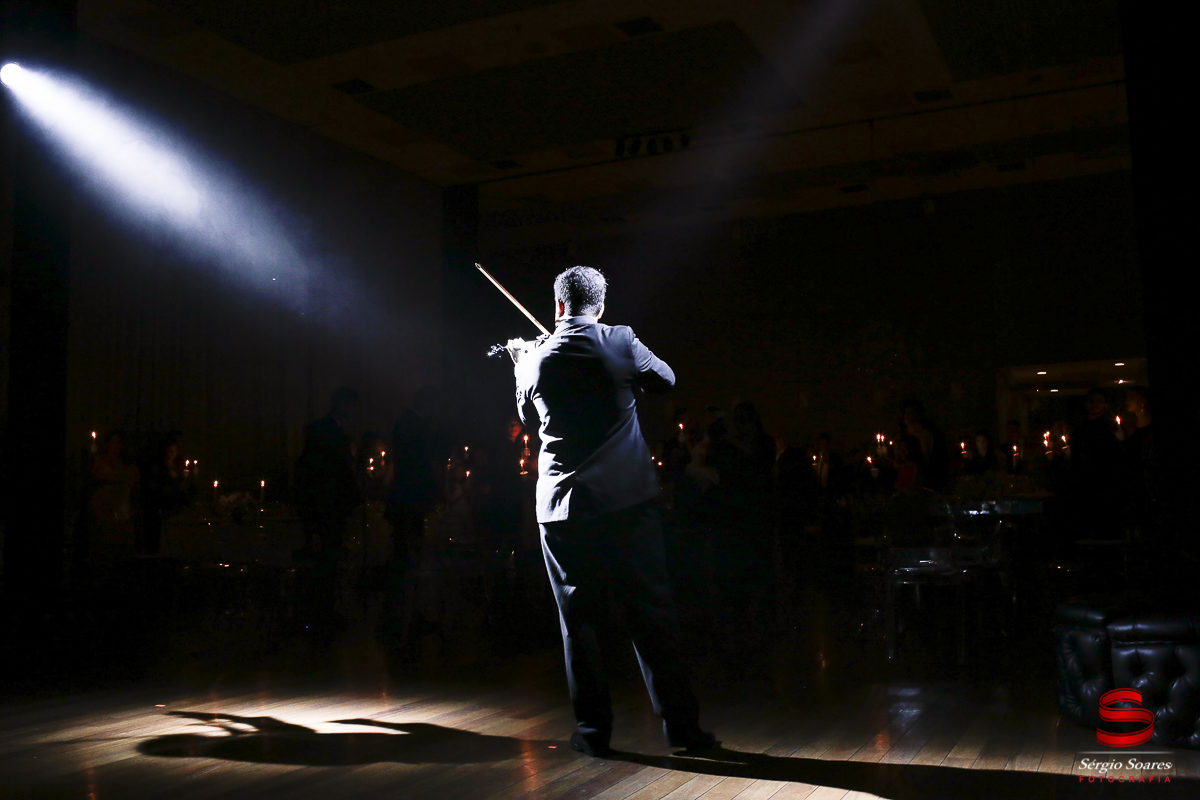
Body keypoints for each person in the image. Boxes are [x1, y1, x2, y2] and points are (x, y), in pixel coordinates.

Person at [506, 265, 715, 757]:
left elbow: (523, 416)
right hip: (627, 504)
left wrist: (520, 363)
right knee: (653, 616)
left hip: (563, 510)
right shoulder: (619, 340)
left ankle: (595, 734)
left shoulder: (534, 361)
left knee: (579, 623)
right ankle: (682, 731)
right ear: (599, 306)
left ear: (558, 306)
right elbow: (665, 378)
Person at [294, 386, 362, 643]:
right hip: (327, 507)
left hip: (333, 506)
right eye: (351, 405)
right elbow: (316, 473)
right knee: (327, 562)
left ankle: (326, 613)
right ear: (340, 404)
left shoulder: (334, 431)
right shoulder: (323, 431)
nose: (354, 411)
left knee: (332, 562)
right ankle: (321, 616)